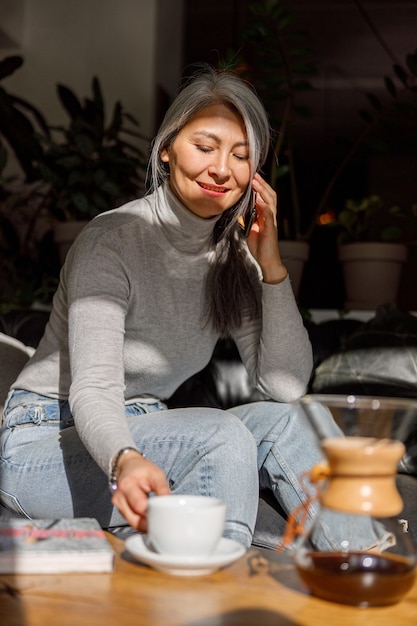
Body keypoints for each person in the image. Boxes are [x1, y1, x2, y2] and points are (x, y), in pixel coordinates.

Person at [0, 66, 337, 549]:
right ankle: (219, 605)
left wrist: (272, 268)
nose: (222, 169)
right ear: (166, 149)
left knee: (298, 418)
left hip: (146, 424)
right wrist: (125, 458)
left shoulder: (233, 260)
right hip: (47, 443)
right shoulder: (110, 240)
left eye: (241, 156)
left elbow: (283, 387)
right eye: (205, 147)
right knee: (222, 433)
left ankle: (369, 574)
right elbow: (94, 387)